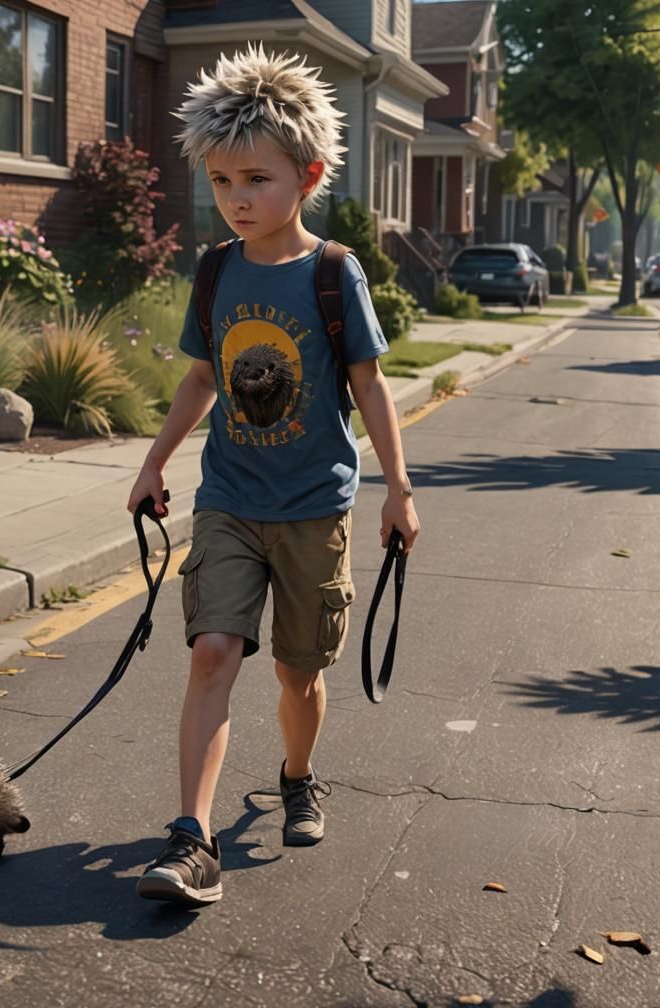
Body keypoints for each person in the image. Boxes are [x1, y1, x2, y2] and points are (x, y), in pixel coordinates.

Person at [127, 44, 420, 906]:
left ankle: (297, 773)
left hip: (312, 506)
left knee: (299, 672)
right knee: (213, 651)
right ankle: (191, 837)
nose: (236, 198)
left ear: (308, 174)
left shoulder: (334, 273)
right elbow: (200, 376)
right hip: (229, 499)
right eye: (221, 182)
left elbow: (368, 383)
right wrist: (153, 462)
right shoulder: (215, 270)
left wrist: (399, 490)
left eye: (254, 178)